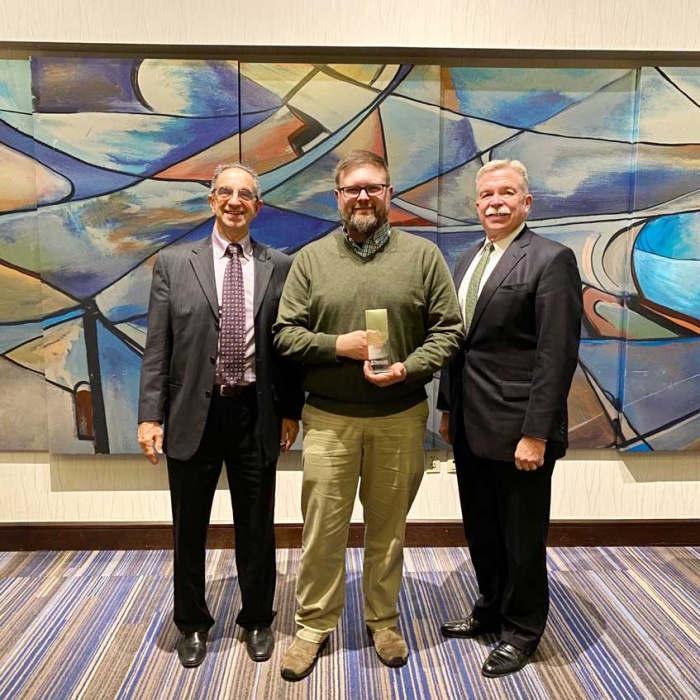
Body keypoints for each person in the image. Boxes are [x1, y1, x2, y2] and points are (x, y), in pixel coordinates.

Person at [273, 149, 464, 681]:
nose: (363, 196)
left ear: (389, 194)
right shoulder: (310, 260)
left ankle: (383, 620)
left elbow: (449, 331)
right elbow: (285, 335)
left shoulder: (423, 257)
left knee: (388, 529)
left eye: (373, 187)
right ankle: (313, 624)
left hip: (400, 417)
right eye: (353, 188)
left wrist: (407, 368)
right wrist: (341, 345)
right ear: (337, 198)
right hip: (329, 420)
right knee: (322, 530)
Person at [137, 163, 303, 668]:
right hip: (192, 414)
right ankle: (191, 622)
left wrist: (290, 410)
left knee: (257, 525)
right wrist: (150, 415)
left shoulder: (281, 265)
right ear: (212, 201)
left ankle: (256, 619)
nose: (235, 201)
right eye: (225, 193)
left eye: (246, 194)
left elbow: (288, 348)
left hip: (256, 413)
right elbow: (158, 346)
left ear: (258, 206)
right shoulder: (172, 263)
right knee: (189, 527)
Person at [438, 159, 583, 677]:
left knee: (522, 537)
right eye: (486, 195)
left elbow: (556, 354)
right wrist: (447, 409)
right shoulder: (466, 260)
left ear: (527, 202)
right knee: (481, 528)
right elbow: (459, 344)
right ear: (476, 205)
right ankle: (490, 608)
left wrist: (535, 433)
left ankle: (522, 630)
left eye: (507, 193)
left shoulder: (551, 259)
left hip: (521, 430)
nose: (495, 202)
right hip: (471, 425)